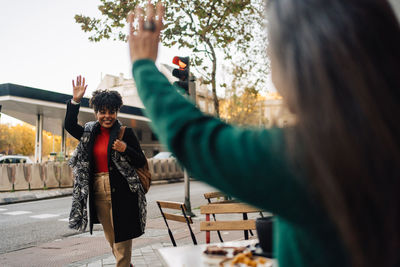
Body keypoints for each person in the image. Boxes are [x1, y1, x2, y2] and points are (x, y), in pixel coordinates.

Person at [126, 1, 400, 267]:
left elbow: (193, 137)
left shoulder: (310, 156)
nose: (270, 55)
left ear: (304, 59)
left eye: (273, 43)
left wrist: (144, 66)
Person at [65, 77, 147, 267]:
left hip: (124, 193)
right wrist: (75, 101)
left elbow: (141, 161)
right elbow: (69, 125)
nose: (107, 116)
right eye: (102, 112)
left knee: (122, 240)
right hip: (98, 192)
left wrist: (125, 148)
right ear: (96, 113)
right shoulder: (89, 132)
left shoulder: (125, 133)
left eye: (111, 112)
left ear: (117, 112)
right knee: (112, 240)